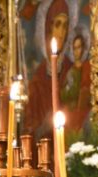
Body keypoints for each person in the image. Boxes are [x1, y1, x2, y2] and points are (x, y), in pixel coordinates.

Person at [25, 0, 73, 139]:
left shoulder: (71, 69)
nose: (61, 32)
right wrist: (43, 127)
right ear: (48, 27)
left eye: (65, 26)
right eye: (57, 24)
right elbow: (29, 128)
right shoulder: (38, 78)